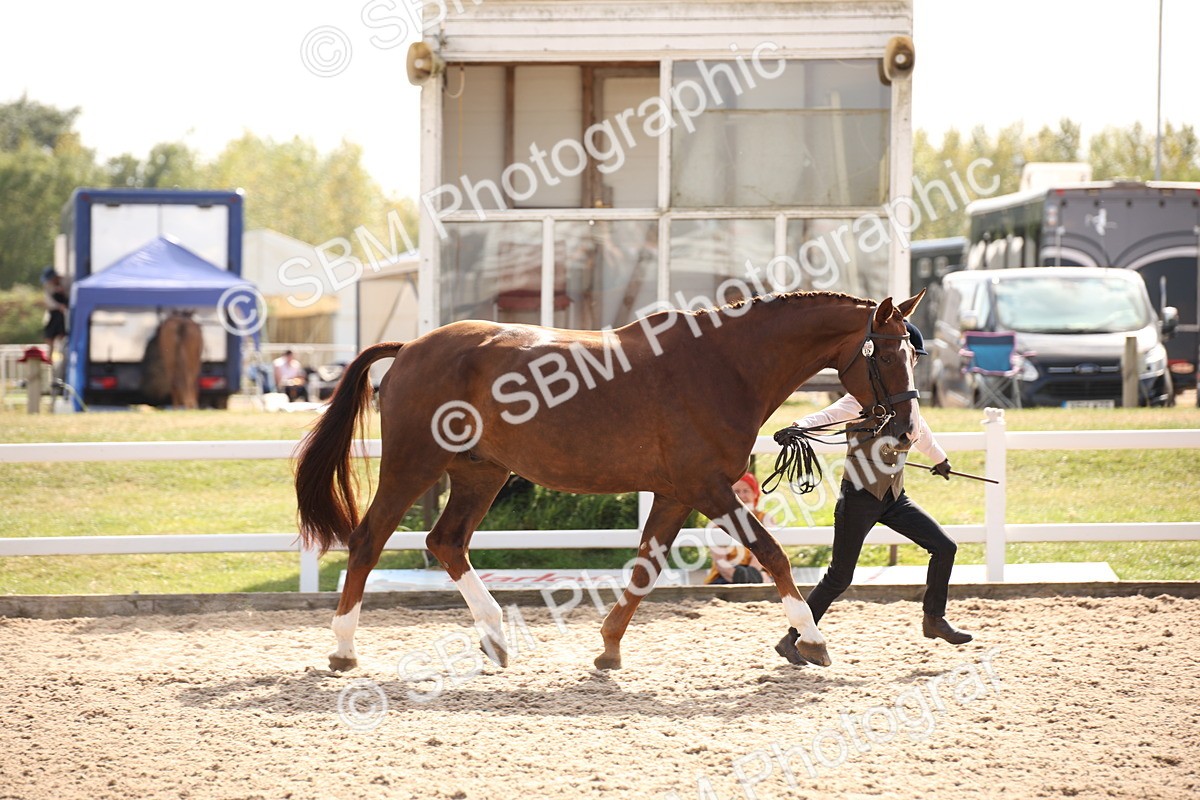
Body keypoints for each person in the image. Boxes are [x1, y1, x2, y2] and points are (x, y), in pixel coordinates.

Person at [785, 321, 973, 647]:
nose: (913, 363)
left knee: (945, 547)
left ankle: (934, 618)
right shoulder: (861, 398)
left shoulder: (905, 402)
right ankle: (794, 637)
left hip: (893, 498)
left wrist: (940, 459)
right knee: (839, 577)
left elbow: (920, 430)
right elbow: (828, 416)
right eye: (913, 356)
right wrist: (798, 426)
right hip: (859, 498)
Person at [705, 472, 771, 585]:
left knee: (766, 581)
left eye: (746, 491)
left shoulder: (765, 519)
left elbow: (765, 553)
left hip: (757, 572)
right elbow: (721, 563)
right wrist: (739, 578)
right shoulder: (718, 522)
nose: (741, 496)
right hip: (727, 574)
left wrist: (752, 574)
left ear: (755, 494)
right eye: (736, 492)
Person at [41, 269, 69, 362]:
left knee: (63, 336)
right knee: (49, 336)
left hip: (63, 314)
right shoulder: (48, 286)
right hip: (54, 313)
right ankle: (49, 358)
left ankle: (63, 357)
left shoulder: (66, 282)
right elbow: (49, 301)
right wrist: (59, 306)